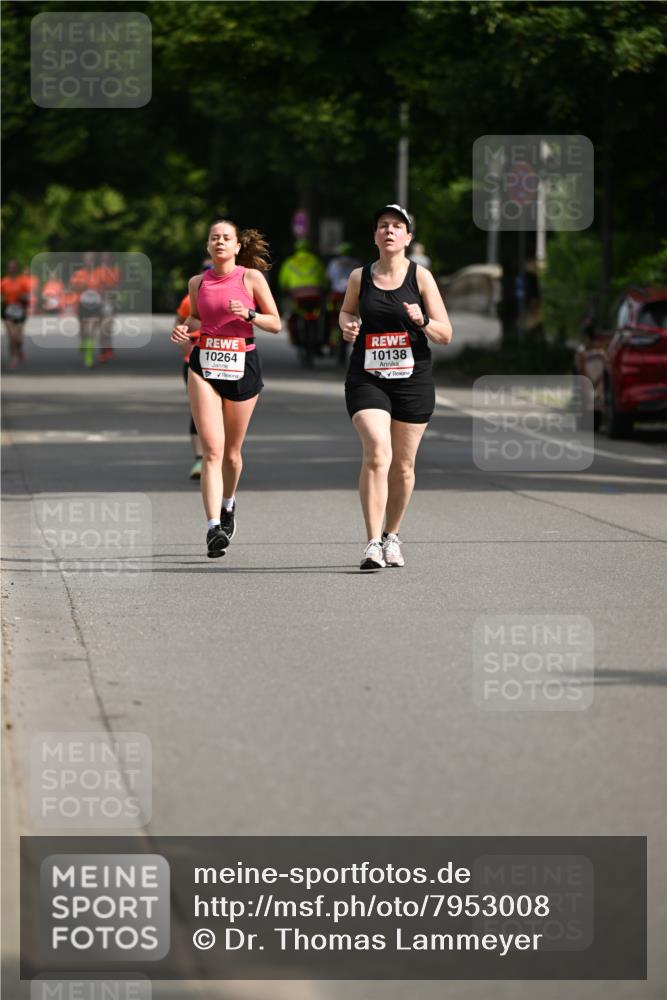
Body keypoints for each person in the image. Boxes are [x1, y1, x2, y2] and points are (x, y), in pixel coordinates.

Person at [339, 204, 453, 571]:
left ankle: (392, 536)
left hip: (412, 379)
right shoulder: (360, 277)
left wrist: (422, 321)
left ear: (408, 237)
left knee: (403, 466)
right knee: (376, 449)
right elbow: (346, 312)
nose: (389, 231)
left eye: (397, 226)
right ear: (375, 235)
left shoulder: (421, 278)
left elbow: (445, 334)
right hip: (367, 377)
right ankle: (372, 542)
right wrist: (348, 325)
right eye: (383, 226)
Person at [171, 220, 281, 558]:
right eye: (214, 238)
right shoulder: (197, 283)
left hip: (242, 365)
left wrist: (249, 314)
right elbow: (197, 321)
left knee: (232, 453)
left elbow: (275, 323)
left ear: (236, 247)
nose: (220, 242)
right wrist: (183, 331)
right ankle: (213, 527)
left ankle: (228, 504)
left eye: (226, 238)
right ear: (208, 246)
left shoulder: (251, 278)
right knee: (212, 451)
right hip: (204, 364)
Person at [174, 258, 212, 480]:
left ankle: (222, 455)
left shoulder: (233, 293)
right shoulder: (190, 299)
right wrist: (187, 351)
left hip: (224, 361)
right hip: (195, 359)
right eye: (205, 271)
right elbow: (179, 325)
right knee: (198, 409)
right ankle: (200, 459)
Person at [278, 238, 328, 352]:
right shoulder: (315, 260)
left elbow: (283, 281)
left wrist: (284, 290)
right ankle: (319, 339)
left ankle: (295, 338)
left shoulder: (290, 261)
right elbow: (324, 279)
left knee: (293, 315)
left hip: (297, 295)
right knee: (319, 314)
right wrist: (324, 289)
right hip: (315, 294)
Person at [70, 253, 104, 368]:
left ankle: (88, 359)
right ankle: (83, 344)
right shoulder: (79, 274)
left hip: (95, 305)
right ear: (84, 261)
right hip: (82, 305)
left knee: (91, 331)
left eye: (92, 260)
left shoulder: (100, 273)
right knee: (84, 331)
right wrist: (82, 286)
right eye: (87, 260)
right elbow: (72, 287)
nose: (90, 262)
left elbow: (105, 287)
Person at [1, 260, 31, 369]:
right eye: (10, 267)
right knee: (11, 336)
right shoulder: (3, 282)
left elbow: (28, 295)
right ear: (7, 269)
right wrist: (3, 298)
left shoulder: (22, 281)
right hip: (8, 310)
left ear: (16, 269)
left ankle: (19, 350)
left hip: (20, 310)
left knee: (18, 338)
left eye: (13, 267)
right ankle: (13, 357)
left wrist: (22, 297)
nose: (11, 269)